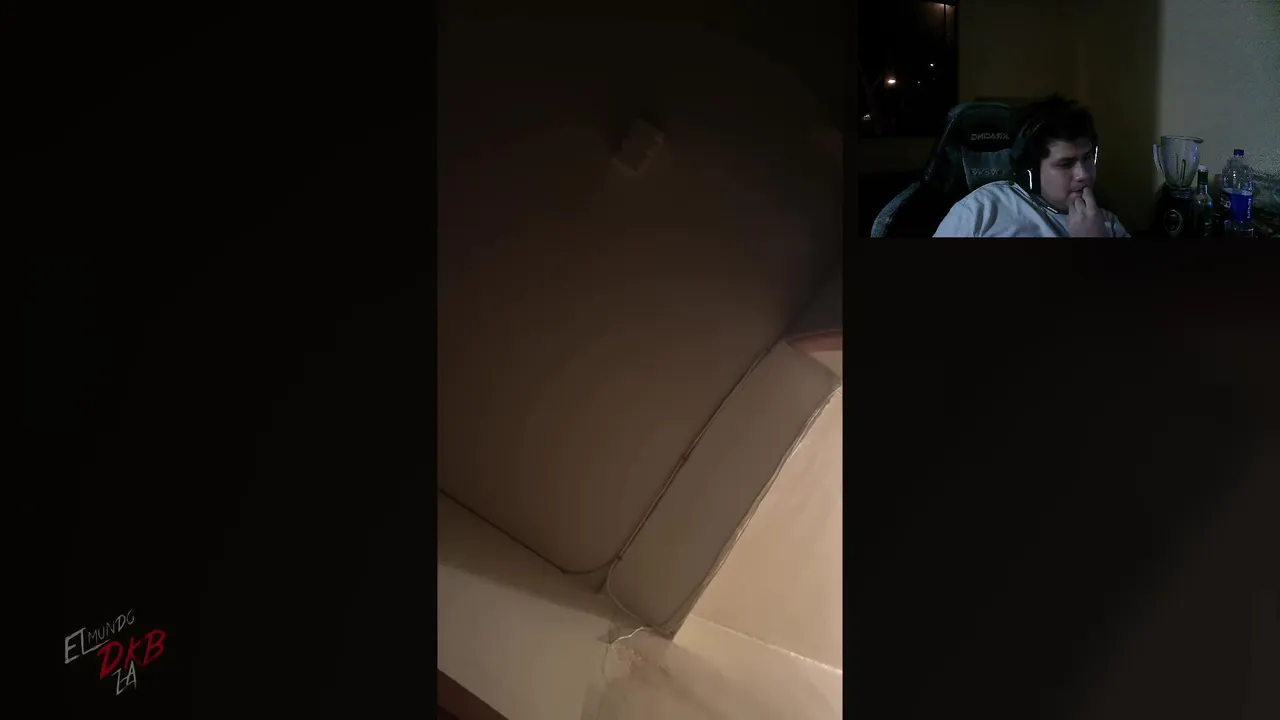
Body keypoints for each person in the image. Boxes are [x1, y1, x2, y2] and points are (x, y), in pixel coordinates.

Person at [934, 94, 1129, 237]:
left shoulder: (1106, 224)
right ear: (1030, 170)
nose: (1083, 174)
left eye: (1087, 157)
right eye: (1065, 164)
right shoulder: (981, 210)